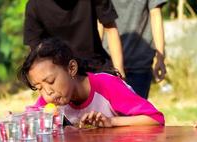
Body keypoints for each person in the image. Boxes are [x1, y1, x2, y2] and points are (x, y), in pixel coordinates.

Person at [18, 38, 164, 128]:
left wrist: (112, 122)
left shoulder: (107, 85)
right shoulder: (50, 98)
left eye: (50, 81)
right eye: (39, 88)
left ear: (71, 68)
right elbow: (30, 119)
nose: (47, 92)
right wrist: (15, 119)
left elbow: (155, 119)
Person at [23, 0, 125, 78]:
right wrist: (46, 86)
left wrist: (120, 74)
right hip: (61, 76)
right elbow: (35, 54)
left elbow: (110, 29)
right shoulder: (35, 6)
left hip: (97, 68)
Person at [99, 0, 167, 99]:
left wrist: (160, 57)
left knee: (134, 112)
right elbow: (100, 20)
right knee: (110, 113)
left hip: (139, 64)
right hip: (110, 64)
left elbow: (155, 14)